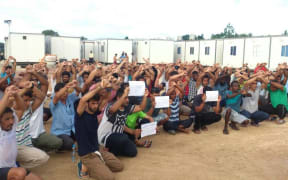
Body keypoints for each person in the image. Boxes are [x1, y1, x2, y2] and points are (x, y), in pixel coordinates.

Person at [75, 79, 123, 180]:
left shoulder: (95, 112)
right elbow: (83, 99)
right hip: (87, 154)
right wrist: (100, 87)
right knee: (109, 178)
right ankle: (84, 165)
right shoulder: (80, 115)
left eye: (96, 103)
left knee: (119, 167)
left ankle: (98, 165)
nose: (95, 106)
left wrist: (109, 87)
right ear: (87, 104)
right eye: (93, 103)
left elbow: (106, 99)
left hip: (97, 149)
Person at [0, 86, 42, 180]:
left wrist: (15, 94)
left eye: (12, 118)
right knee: (20, 173)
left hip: (12, 166)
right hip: (1, 169)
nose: (11, 121)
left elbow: (21, 109)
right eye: (7, 119)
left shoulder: (11, 126)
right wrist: (7, 95)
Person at [98, 87, 147, 157]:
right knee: (124, 137)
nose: (128, 100)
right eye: (125, 98)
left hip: (119, 137)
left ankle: (112, 151)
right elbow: (112, 110)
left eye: (128, 98)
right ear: (118, 98)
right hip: (105, 136)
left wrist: (145, 96)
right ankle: (107, 151)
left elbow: (140, 108)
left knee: (133, 152)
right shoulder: (110, 106)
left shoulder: (127, 108)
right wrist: (124, 94)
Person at [50, 81, 80, 150]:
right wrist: (67, 86)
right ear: (56, 92)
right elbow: (57, 96)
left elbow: (78, 92)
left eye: (66, 92)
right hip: (60, 132)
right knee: (69, 143)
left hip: (72, 129)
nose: (65, 94)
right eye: (63, 92)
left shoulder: (70, 98)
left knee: (85, 137)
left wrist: (75, 86)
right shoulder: (54, 102)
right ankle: (57, 146)